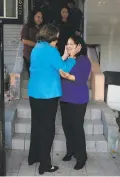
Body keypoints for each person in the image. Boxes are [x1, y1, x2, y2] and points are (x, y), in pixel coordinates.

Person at [28, 24, 81, 175]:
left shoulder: (37, 48)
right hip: (47, 95)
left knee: (37, 126)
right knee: (47, 130)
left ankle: (34, 157)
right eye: (56, 37)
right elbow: (63, 69)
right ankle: (45, 165)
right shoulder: (51, 51)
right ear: (51, 36)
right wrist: (71, 57)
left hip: (34, 94)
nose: (58, 40)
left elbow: (53, 65)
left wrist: (63, 56)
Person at [59, 35, 91, 170]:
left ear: (79, 46)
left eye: (71, 44)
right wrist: (65, 57)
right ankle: (70, 151)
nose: (68, 46)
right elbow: (57, 70)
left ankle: (81, 157)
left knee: (77, 128)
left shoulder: (84, 60)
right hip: (64, 98)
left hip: (78, 99)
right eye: (67, 44)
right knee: (67, 127)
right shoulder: (67, 59)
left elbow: (77, 78)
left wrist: (65, 74)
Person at [21, 9, 43, 77]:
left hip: (40, 56)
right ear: (33, 17)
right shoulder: (27, 27)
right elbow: (24, 40)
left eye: (41, 18)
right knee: (33, 76)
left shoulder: (42, 28)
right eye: (38, 17)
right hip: (29, 55)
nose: (40, 19)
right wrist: (37, 45)